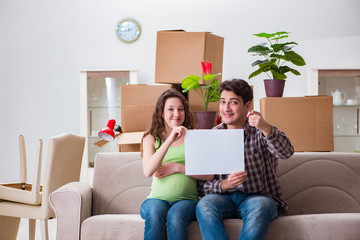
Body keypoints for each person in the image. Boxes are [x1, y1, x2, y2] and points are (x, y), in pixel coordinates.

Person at [196, 79, 294, 240]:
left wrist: (266, 128)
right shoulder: (211, 136)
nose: (226, 108)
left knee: (260, 206)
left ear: (247, 106)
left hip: (257, 197)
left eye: (233, 102)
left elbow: (286, 153)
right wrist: (224, 184)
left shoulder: (260, 131)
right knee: (204, 205)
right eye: (222, 102)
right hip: (222, 198)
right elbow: (200, 186)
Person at [140, 88, 213, 240]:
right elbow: (148, 171)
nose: (176, 114)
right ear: (161, 113)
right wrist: (169, 140)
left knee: (175, 216)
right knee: (155, 214)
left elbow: (209, 174)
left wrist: (178, 168)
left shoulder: (194, 136)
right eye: (170, 109)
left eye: (180, 109)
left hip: (187, 201)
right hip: (156, 200)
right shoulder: (151, 137)